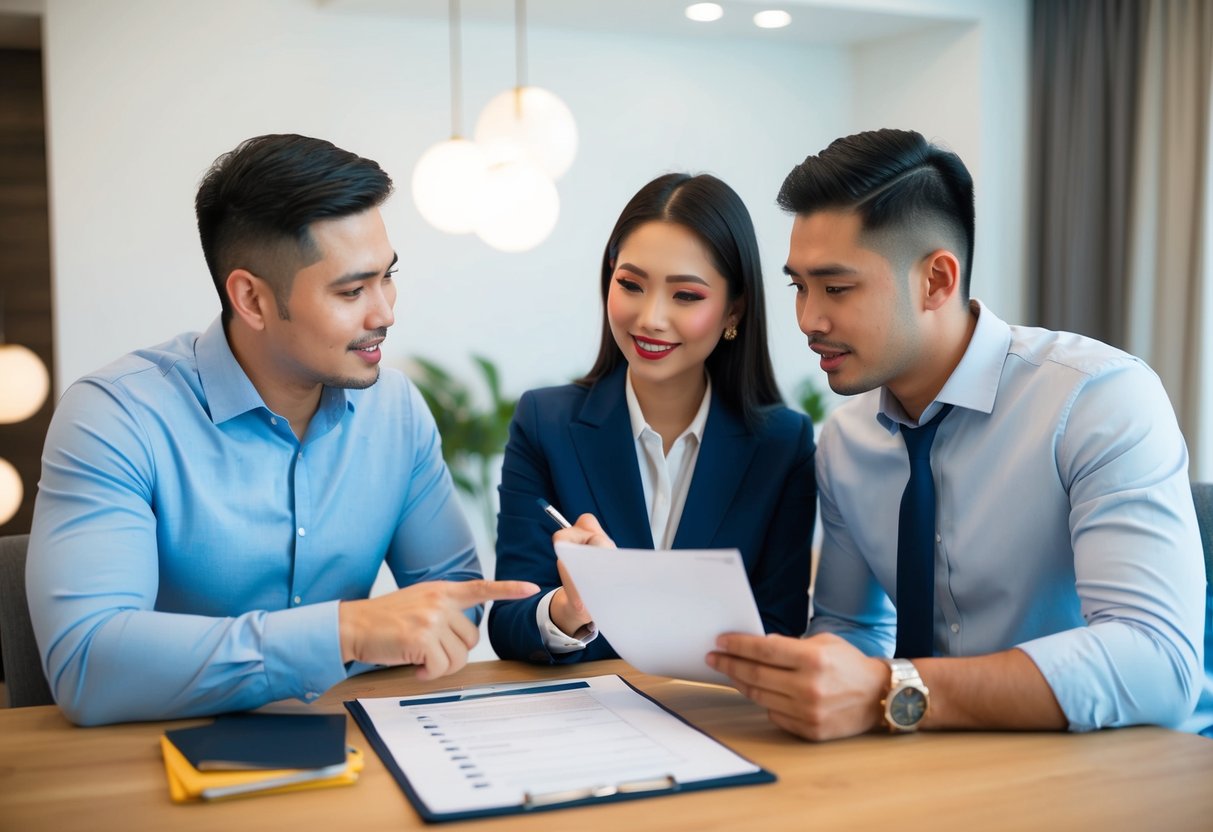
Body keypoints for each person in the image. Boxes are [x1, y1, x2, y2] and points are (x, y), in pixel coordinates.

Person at [709, 128, 1211, 740]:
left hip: (1104, 767)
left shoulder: (1098, 399)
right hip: (925, 767)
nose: (809, 320)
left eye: (836, 288)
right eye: (800, 286)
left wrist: (895, 691)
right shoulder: (846, 441)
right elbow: (853, 630)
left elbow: (1159, 663)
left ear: (937, 281)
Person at [26, 134, 537, 726]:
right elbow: (88, 665)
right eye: (351, 290)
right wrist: (342, 633)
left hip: (354, 749)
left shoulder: (395, 410)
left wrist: (381, 633)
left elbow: (455, 605)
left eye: (387, 278)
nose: (385, 313)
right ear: (252, 299)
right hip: (160, 762)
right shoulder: (116, 417)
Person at [489, 173, 816, 664]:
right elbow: (509, 620)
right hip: (583, 721)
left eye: (686, 295)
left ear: (735, 309)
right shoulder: (545, 423)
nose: (650, 319)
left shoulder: (782, 445)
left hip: (719, 724)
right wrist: (567, 607)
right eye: (631, 285)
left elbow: (780, 629)